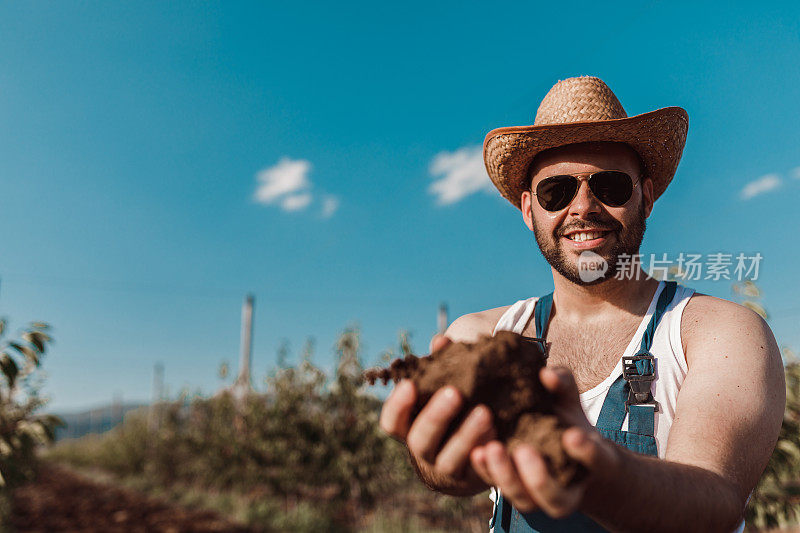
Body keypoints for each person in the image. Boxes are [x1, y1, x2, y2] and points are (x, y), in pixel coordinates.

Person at [378, 76, 785, 532]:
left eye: (610, 187)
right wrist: (443, 465)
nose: (583, 207)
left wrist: (594, 476)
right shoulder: (482, 337)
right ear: (529, 209)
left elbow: (713, 498)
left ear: (646, 198)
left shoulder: (718, 333)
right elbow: (439, 464)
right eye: (557, 191)